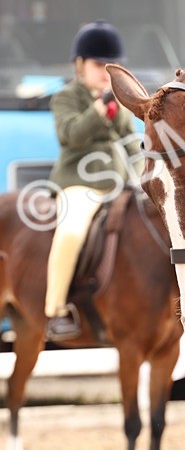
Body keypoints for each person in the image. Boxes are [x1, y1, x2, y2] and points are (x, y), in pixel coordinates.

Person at [44, 20, 142, 340]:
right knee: (71, 232)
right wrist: (100, 108)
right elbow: (71, 136)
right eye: (99, 64)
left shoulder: (118, 99)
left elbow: (130, 141)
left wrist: (147, 177)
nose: (105, 71)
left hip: (119, 185)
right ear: (80, 64)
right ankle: (55, 309)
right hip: (79, 185)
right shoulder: (65, 98)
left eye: (111, 65)